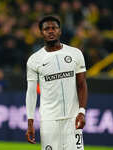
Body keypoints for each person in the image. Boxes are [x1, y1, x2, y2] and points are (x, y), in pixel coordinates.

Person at [25, 15, 88, 150]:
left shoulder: (75, 54)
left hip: (73, 119)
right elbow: (31, 92)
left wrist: (82, 112)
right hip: (49, 122)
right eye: (47, 29)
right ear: (41, 33)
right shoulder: (34, 60)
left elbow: (82, 84)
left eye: (54, 28)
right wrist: (30, 122)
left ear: (60, 31)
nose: (51, 31)